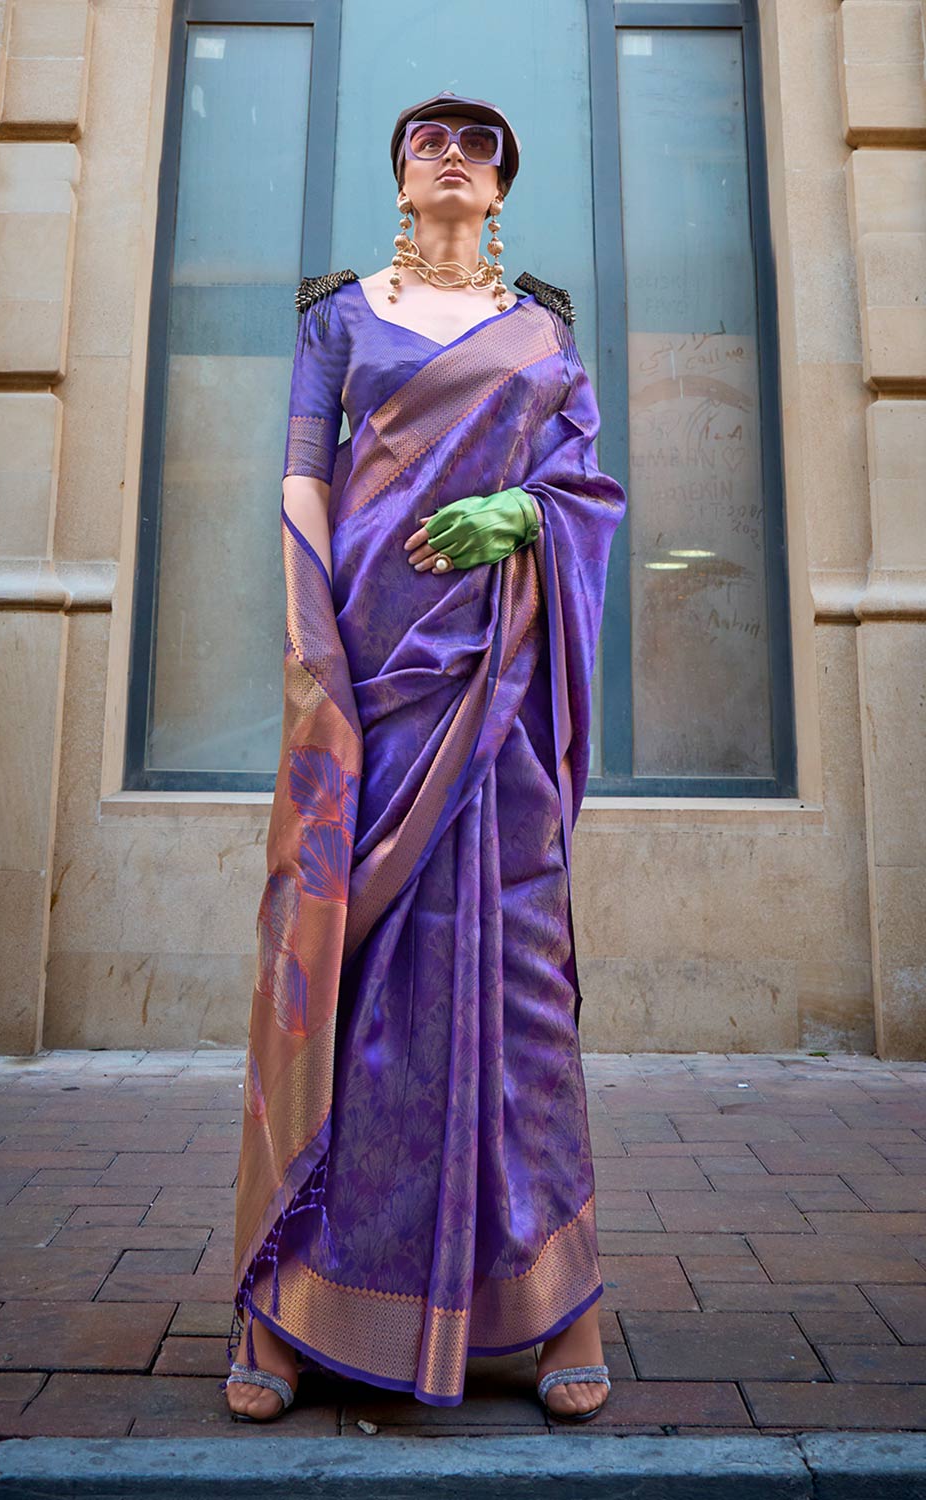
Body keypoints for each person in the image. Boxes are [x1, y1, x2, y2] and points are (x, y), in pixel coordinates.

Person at [222, 90, 627, 1424]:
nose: (453, 158)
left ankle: (556, 1301)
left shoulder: (544, 332)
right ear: (402, 178)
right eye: (429, 143)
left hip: (495, 694)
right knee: (340, 979)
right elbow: (302, 481)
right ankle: (287, 1306)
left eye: (479, 146)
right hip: (372, 689)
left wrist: (530, 514)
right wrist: (315, 661)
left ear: (501, 188)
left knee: (518, 985)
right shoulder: (338, 319)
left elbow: (588, 487)